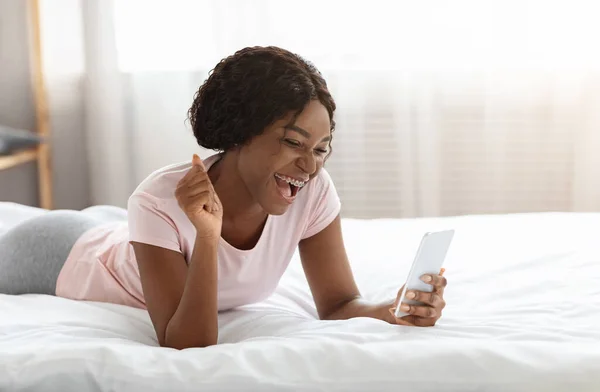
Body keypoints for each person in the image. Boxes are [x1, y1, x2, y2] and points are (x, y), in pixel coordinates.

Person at [0, 46, 447, 349]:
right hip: (59, 254)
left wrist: (394, 309)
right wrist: (207, 237)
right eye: (293, 143)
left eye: (320, 149)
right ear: (240, 133)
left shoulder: (312, 191)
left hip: (122, 232)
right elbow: (186, 343)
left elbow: (337, 305)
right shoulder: (159, 200)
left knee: (125, 226)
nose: (309, 167)